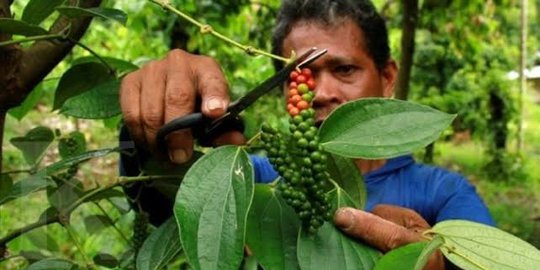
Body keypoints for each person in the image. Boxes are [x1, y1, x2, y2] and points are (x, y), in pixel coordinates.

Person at [119, 0, 494, 269]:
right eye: (301, 77)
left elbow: (486, 259)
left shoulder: (442, 194)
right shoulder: (254, 179)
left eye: (345, 69)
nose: (321, 93)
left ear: (388, 77)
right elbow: (165, 200)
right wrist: (151, 130)